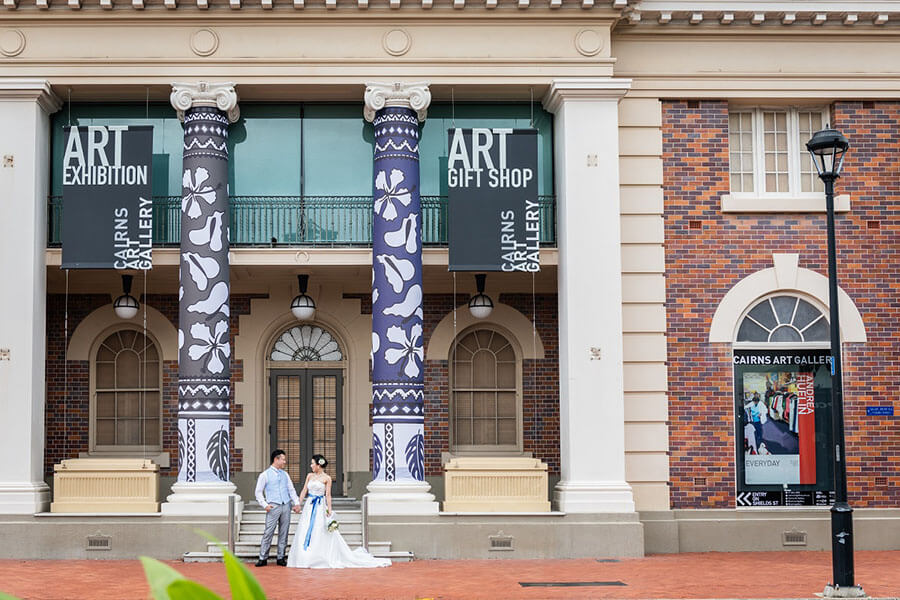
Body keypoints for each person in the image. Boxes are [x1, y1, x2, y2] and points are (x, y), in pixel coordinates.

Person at [287, 454, 391, 569]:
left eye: (312, 463)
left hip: (320, 506)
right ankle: (304, 556)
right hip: (309, 506)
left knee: (319, 529)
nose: (311, 465)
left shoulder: (327, 478)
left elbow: (328, 495)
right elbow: (304, 490)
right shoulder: (309, 476)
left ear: (318, 465)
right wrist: (298, 503)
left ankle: (318, 556)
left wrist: (329, 509)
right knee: (305, 528)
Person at [254, 449, 301, 567]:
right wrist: (265, 505)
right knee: (268, 532)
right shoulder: (264, 475)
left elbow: (291, 490)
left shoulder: (285, 474)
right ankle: (263, 557)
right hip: (273, 506)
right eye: (283, 459)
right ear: (276, 459)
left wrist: (296, 503)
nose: (285, 462)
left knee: (284, 532)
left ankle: (281, 557)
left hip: (286, 505)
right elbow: (258, 492)